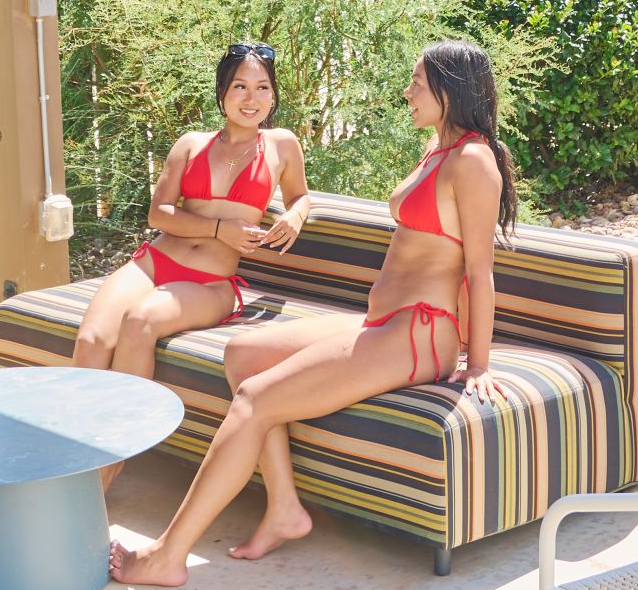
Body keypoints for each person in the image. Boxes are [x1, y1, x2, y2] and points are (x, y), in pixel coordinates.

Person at [111, 38, 516, 586]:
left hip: (417, 332)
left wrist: (480, 363)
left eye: (418, 83)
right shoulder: (439, 150)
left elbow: (479, 271)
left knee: (256, 400)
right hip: (386, 323)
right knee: (242, 353)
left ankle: (168, 554)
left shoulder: (473, 160)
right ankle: (284, 508)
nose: (408, 92)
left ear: (450, 88)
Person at [74, 42, 309, 388]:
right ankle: (80, 436)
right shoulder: (191, 144)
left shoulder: (282, 144)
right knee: (90, 340)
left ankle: (128, 439)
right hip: (154, 262)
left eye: (262, 88)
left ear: (273, 96)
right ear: (222, 91)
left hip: (211, 283)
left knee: (141, 320)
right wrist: (219, 229)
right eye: (240, 87)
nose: (251, 99)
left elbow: (300, 196)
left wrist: (296, 215)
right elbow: (159, 214)